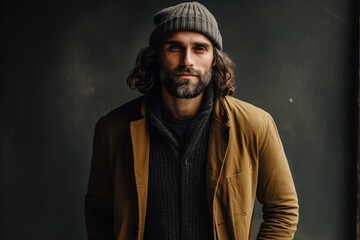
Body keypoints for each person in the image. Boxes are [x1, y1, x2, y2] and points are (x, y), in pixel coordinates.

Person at [84, 2, 299, 240]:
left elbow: (283, 210)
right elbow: (99, 211)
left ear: (214, 59)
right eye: (175, 47)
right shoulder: (113, 129)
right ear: (156, 56)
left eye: (200, 48)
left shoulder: (256, 125)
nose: (187, 60)